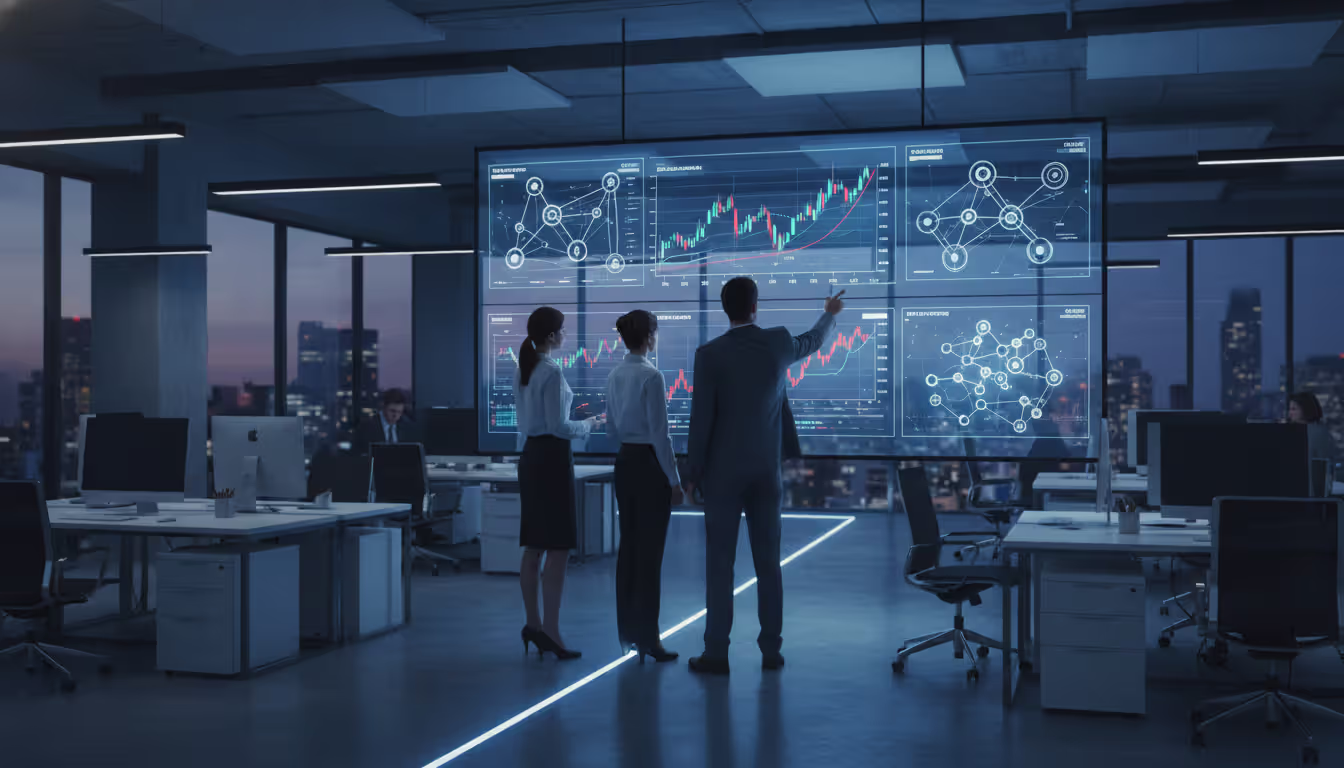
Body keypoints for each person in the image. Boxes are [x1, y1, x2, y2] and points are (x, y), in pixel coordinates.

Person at [683, 278, 845, 674]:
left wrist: (692, 475)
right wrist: (829, 314)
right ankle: (771, 650)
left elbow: (701, 421)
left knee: (720, 565)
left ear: (725, 308)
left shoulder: (710, 354)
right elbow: (814, 341)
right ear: (755, 306)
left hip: (723, 475)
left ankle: (716, 652)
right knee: (768, 563)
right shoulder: (777, 343)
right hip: (765, 472)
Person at [515, 307, 604, 661]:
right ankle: (551, 631)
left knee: (534, 544)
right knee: (558, 547)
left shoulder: (523, 366)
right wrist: (590, 424)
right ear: (551, 336)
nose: (566, 335)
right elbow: (559, 426)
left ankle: (534, 625)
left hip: (531, 456)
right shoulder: (551, 372)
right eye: (562, 330)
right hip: (552, 458)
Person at [606, 309, 683, 663]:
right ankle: (650, 637)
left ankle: (630, 635)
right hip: (650, 468)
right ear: (649, 337)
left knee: (630, 552)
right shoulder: (652, 376)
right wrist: (675, 480)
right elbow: (660, 436)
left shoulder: (615, 374)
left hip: (624, 463)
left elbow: (610, 429)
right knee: (650, 556)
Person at [1289, 391, 1337, 479]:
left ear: (1306, 409)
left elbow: (1323, 465)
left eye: (1294, 409)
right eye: (1290, 409)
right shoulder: (1292, 433)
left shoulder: (1319, 434)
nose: (1290, 413)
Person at [353, 388, 407, 454]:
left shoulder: (405, 427)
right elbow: (357, 454)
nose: (396, 415)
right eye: (392, 411)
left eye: (399, 412)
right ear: (383, 406)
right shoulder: (366, 427)